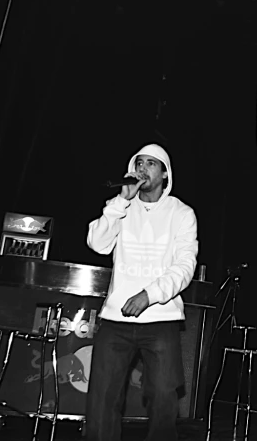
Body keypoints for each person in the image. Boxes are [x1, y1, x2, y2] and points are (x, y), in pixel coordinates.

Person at [85, 143, 198, 441]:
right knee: (102, 399)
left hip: (160, 320)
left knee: (164, 399)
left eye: (151, 163)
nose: (143, 168)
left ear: (165, 173)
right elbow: (98, 243)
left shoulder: (181, 213)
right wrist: (120, 202)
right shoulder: (121, 207)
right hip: (115, 320)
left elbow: (185, 266)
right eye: (139, 162)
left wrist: (149, 294)